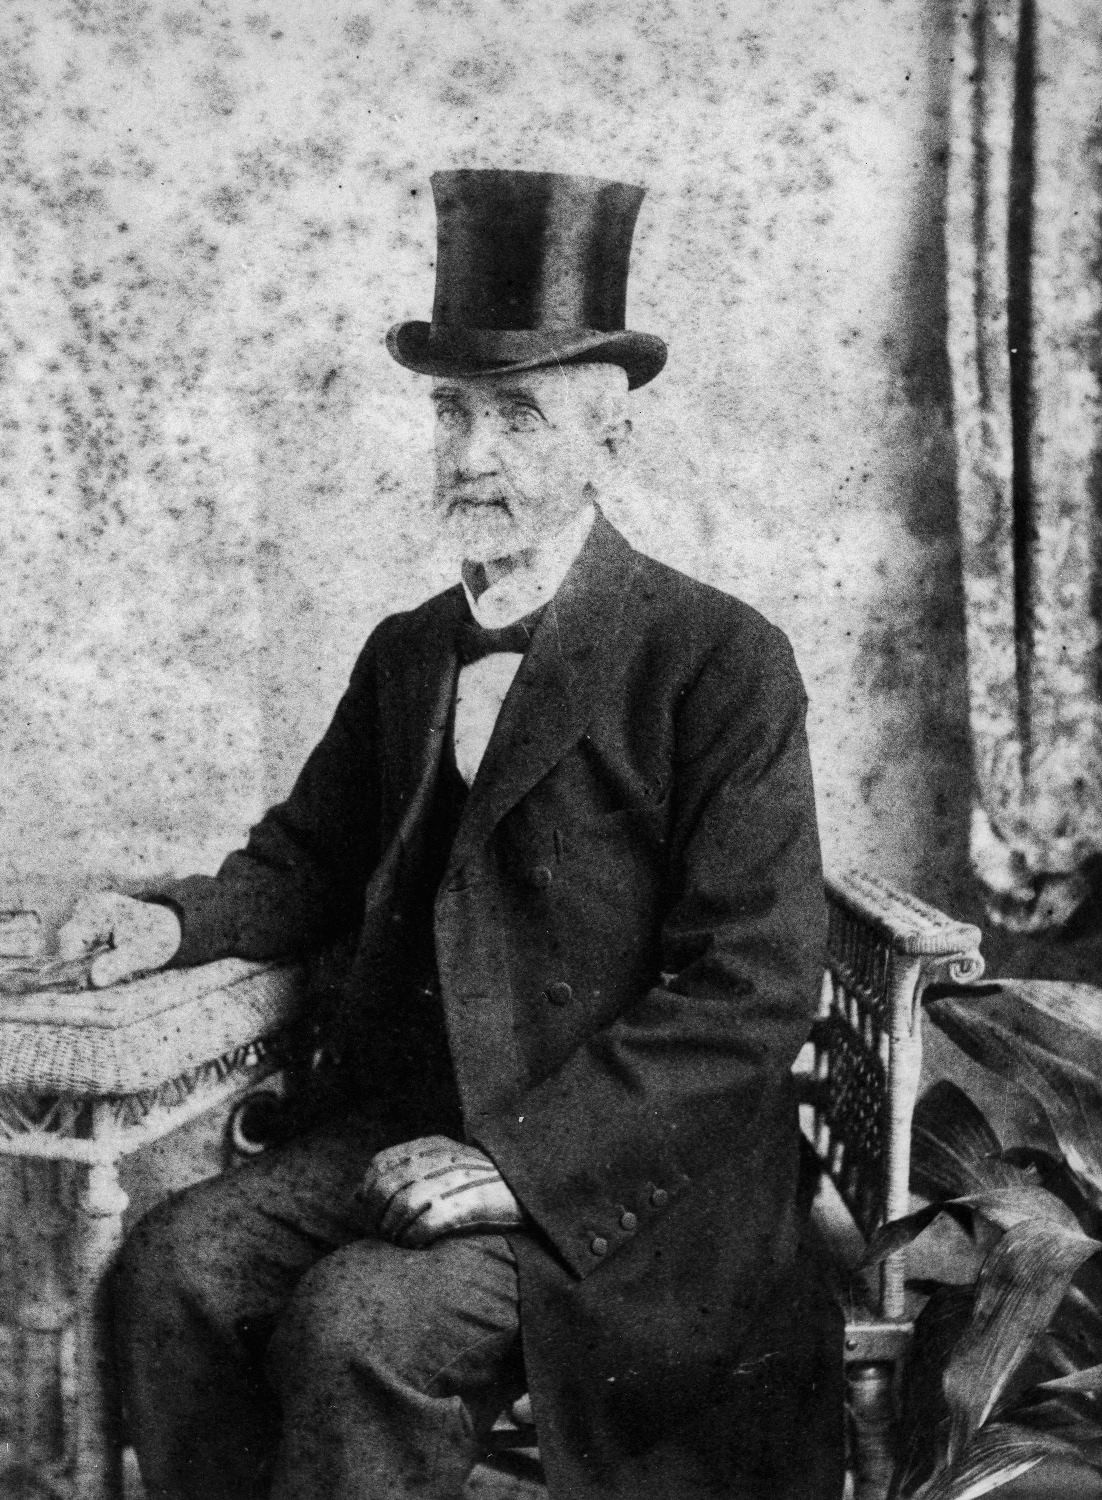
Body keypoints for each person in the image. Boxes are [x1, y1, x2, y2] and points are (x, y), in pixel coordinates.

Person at [60, 169, 844, 1500]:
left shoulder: (717, 658)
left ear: (608, 440)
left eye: (517, 414)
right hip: (403, 1117)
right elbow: (308, 861)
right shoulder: (411, 651)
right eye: (450, 411)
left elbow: (750, 988)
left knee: (359, 1323)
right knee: (170, 1272)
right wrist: (172, 920)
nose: (470, 454)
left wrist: (516, 1164)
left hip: (628, 1177)